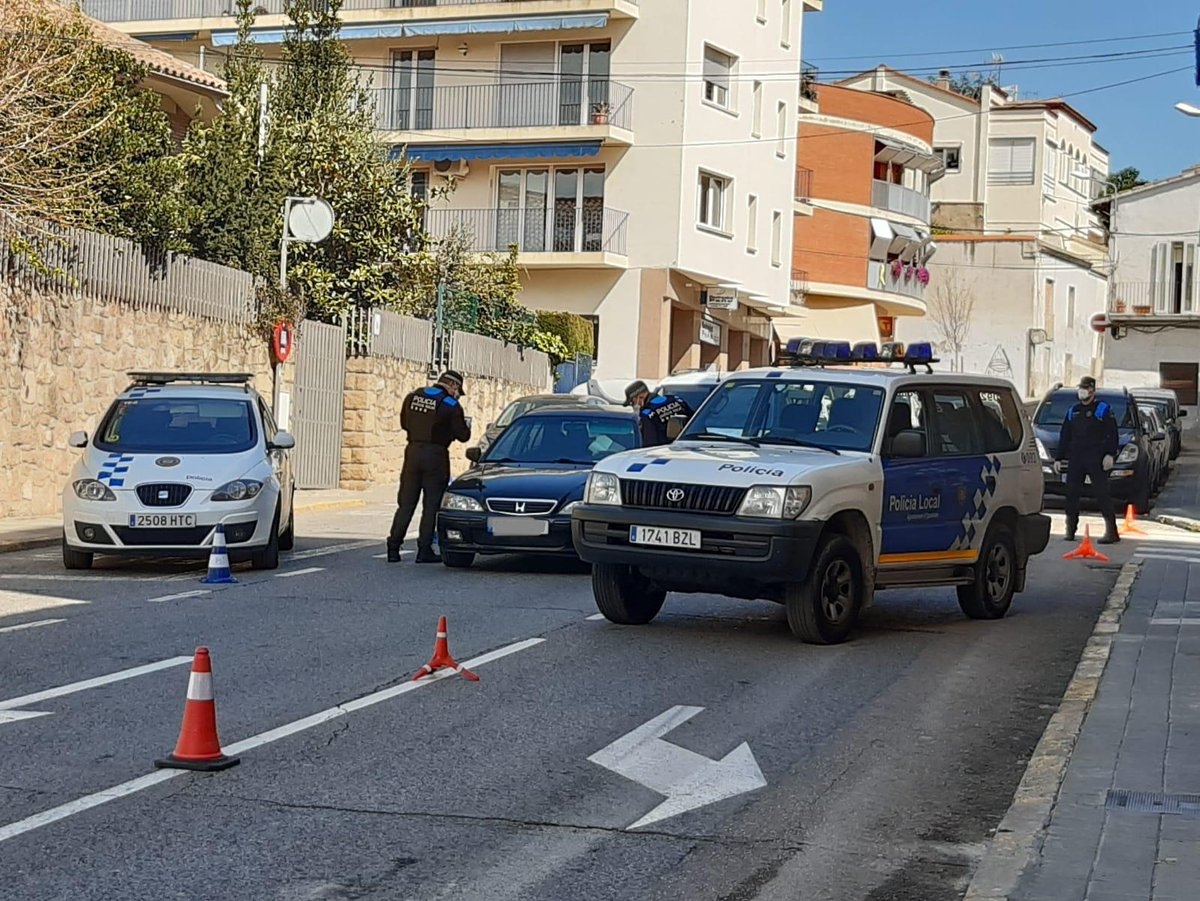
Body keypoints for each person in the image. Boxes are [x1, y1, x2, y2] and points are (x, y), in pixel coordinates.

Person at [386, 371, 471, 563]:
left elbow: (404, 424)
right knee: (431, 506)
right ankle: (424, 550)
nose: (457, 394)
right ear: (453, 386)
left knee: (405, 504)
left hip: (413, 452)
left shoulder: (413, 396)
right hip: (436, 456)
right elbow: (463, 435)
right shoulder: (451, 405)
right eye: (457, 390)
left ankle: (393, 548)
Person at [1055, 376, 1120, 545]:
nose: (1081, 391)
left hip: (1096, 457)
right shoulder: (1073, 411)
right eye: (1080, 388)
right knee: (1071, 493)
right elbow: (1065, 436)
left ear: (1092, 390)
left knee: (1101, 493)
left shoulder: (1102, 409)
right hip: (1076, 457)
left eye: (1085, 388)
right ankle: (1070, 530)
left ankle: (1112, 531)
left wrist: (1110, 454)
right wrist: (1059, 458)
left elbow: (1112, 433)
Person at [625, 380, 694, 447]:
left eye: (632, 402)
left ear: (640, 397)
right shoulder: (677, 400)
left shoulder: (647, 414)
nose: (634, 405)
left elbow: (649, 444)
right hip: (690, 444)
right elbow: (695, 421)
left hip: (664, 451)